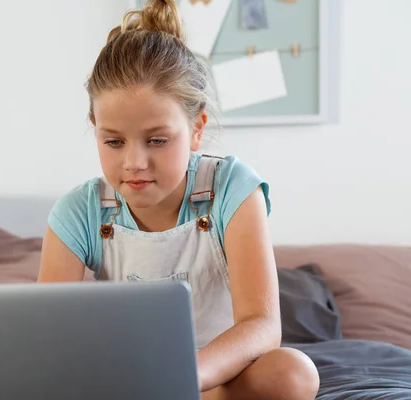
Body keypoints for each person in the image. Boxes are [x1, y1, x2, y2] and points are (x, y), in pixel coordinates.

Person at [37, 0, 320, 398]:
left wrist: (185, 377)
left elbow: (261, 325)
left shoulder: (234, 189)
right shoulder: (76, 212)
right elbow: (50, 335)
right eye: (113, 141)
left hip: (218, 378)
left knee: (294, 374)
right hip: (125, 381)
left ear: (197, 128)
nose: (134, 163)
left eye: (157, 140)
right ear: (95, 128)